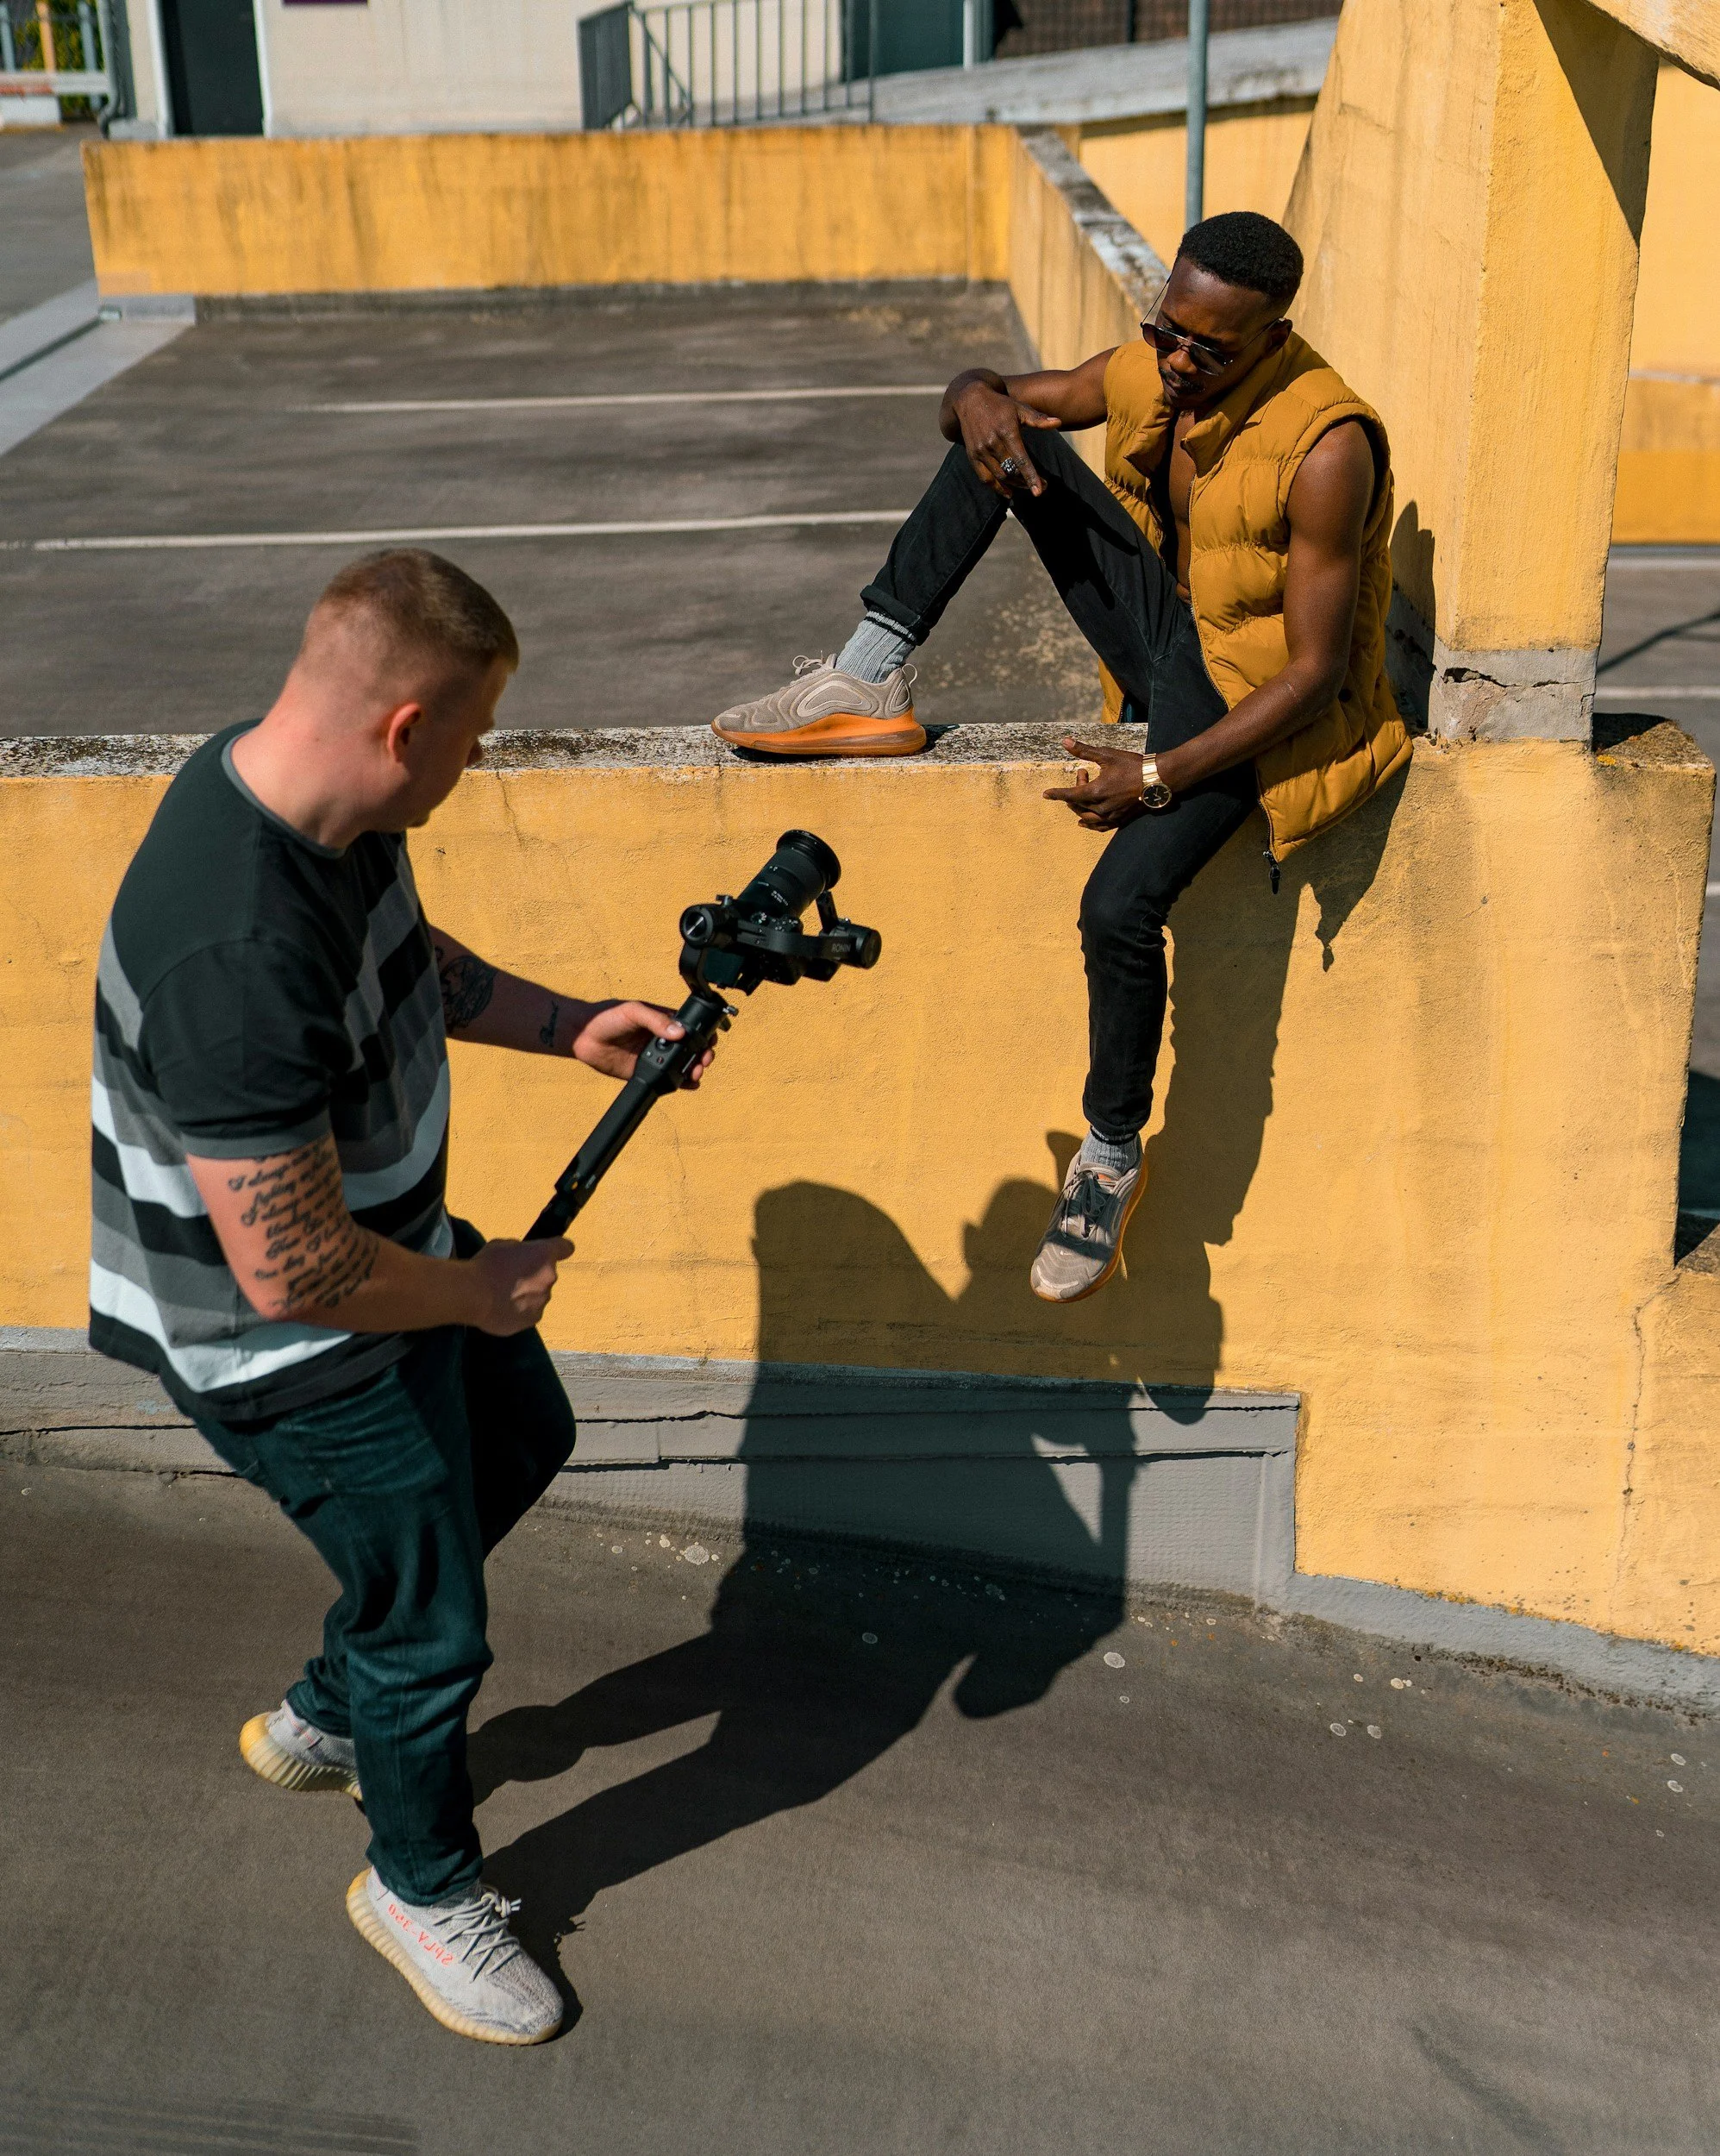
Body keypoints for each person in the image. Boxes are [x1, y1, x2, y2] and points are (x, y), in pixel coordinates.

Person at [90, 548, 713, 2046]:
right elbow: (292, 1269)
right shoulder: (231, 945)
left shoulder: (320, 801)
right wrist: (477, 1290)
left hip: (389, 1253)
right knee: (435, 1630)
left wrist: (569, 1026)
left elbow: (406, 962)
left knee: (520, 1439)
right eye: (478, 737)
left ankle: (327, 1712)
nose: (479, 765)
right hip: (285, 1344)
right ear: (406, 727)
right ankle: (420, 1890)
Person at [712, 211, 1410, 1303]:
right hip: (1177, 641)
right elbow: (981, 404)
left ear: (1275, 338)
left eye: (1209, 351)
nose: (1177, 362)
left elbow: (1313, 674)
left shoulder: (1327, 450)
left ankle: (1110, 1152)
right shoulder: (1153, 372)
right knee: (1012, 444)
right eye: (1166, 330)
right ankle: (867, 671)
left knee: (1117, 907)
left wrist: (1161, 774)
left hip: (1257, 711)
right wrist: (976, 390)